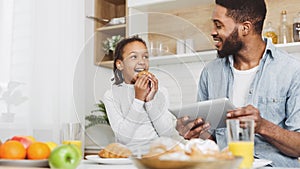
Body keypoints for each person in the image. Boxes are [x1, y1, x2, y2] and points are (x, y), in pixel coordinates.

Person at [180, 0, 300, 167]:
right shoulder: (210, 73)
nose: (213, 32)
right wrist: (194, 132)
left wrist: (262, 126)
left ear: (245, 28)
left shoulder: (292, 70)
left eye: (219, 25)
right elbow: (212, 143)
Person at [103, 36, 192, 153]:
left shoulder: (160, 92)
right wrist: (138, 100)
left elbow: (167, 134)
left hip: (159, 155)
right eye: (134, 57)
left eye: (145, 57)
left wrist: (150, 101)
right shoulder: (111, 96)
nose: (142, 62)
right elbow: (124, 138)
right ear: (120, 64)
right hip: (129, 159)